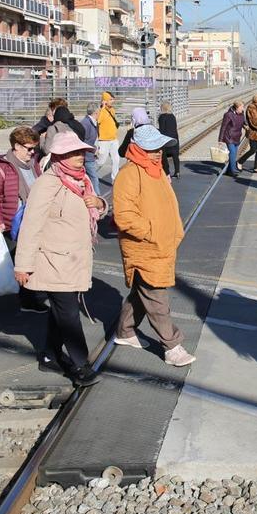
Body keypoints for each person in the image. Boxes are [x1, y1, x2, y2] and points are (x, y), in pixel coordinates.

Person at [14, 130, 108, 387]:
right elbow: (31, 225)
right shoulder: (48, 183)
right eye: (72, 153)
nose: (79, 157)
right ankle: (80, 364)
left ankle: (48, 355)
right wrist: (23, 265)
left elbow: (91, 210)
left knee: (60, 312)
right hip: (53, 260)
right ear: (59, 156)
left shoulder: (82, 180)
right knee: (68, 313)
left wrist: (99, 203)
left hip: (74, 258)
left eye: (81, 152)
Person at [112, 124, 196, 367]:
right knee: (157, 297)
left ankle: (125, 332)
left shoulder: (155, 170)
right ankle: (172, 346)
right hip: (144, 247)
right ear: (138, 148)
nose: (158, 152)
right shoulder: (129, 175)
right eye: (152, 148)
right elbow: (125, 216)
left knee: (142, 293)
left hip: (161, 245)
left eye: (159, 148)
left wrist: (172, 231)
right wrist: (152, 232)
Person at [0, 126, 42, 275]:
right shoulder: (0, 168)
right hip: (8, 227)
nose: (33, 152)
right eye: (29, 149)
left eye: (35, 148)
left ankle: (27, 296)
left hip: (30, 224)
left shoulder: (34, 165)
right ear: (16, 146)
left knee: (26, 269)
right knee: (3, 271)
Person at [217, 101, 246, 177]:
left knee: (234, 154)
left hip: (237, 136)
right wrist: (220, 140)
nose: (243, 108)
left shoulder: (242, 114)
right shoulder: (228, 115)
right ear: (237, 107)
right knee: (232, 153)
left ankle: (229, 171)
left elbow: (244, 123)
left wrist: (247, 127)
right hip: (229, 137)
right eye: (242, 107)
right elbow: (223, 127)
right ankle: (233, 170)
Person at [96, 91, 120, 180]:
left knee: (116, 159)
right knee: (101, 161)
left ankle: (115, 179)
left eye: (113, 99)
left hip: (113, 139)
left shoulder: (112, 110)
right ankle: (90, 173)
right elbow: (97, 121)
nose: (112, 101)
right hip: (104, 140)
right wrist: (102, 107)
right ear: (105, 100)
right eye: (110, 99)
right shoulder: (101, 111)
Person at [157, 102, 181, 179]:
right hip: (174, 139)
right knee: (175, 156)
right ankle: (177, 172)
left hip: (166, 140)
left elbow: (162, 129)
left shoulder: (161, 117)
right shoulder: (173, 116)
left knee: (163, 156)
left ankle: (166, 172)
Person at [80, 102, 101, 187]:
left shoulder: (91, 122)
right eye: (99, 111)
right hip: (87, 155)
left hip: (89, 154)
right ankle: (97, 196)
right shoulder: (86, 123)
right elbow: (84, 141)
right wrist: (94, 149)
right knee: (94, 178)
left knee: (90, 177)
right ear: (96, 112)